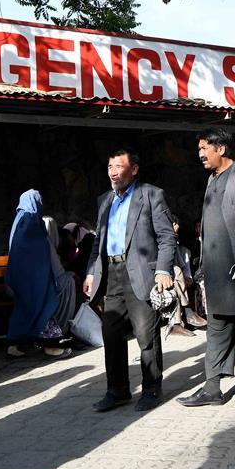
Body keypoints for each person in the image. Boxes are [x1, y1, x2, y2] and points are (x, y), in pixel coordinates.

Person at [178, 128, 235, 408]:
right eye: (199, 149)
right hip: (217, 275)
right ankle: (211, 389)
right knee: (216, 331)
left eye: (205, 148)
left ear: (221, 149)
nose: (201, 155)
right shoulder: (212, 179)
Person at [85, 148, 176, 412]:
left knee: (145, 334)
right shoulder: (104, 200)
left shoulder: (150, 195)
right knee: (111, 334)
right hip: (110, 273)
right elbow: (97, 242)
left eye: (119, 166)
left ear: (134, 169)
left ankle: (151, 389)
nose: (113, 172)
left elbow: (166, 237)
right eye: (110, 166)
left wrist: (163, 270)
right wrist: (92, 271)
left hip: (140, 272)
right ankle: (117, 391)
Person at [5, 190, 73, 359]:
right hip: (36, 278)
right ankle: (50, 347)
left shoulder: (18, 219)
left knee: (23, 309)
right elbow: (39, 251)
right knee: (44, 305)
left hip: (19, 277)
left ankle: (13, 345)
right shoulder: (32, 221)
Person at [166, 215, 205, 337]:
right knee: (177, 273)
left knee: (177, 275)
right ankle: (188, 312)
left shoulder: (178, 245)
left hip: (176, 276)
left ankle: (178, 323)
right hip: (160, 274)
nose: (176, 232)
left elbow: (182, 260)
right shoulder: (163, 241)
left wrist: (188, 276)